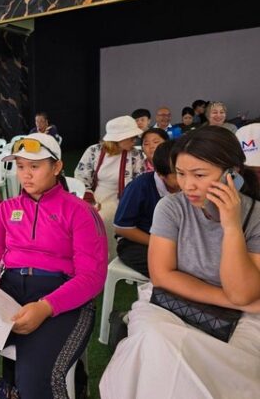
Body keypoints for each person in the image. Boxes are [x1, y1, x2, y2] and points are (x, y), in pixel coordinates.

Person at [0, 132, 108, 399]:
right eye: (20, 166)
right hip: (10, 291)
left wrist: (45, 307)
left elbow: (92, 277)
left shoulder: (80, 211)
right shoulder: (6, 209)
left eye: (35, 166)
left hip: (62, 294)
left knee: (34, 379)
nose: (26, 175)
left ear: (57, 167)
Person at [100, 126, 260, 398]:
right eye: (181, 174)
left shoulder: (254, 216)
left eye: (199, 175)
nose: (188, 185)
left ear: (232, 174)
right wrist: (233, 301)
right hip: (173, 304)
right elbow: (162, 276)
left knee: (231, 363)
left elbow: (242, 292)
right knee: (156, 342)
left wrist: (231, 227)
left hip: (242, 318)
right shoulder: (171, 207)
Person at [75, 115, 145, 258]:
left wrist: (128, 202)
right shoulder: (94, 151)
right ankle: (91, 257)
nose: (135, 140)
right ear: (119, 138)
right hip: (95, 195)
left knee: (104, 218)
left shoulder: (135, 155)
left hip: (124, 198)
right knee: (88, 218)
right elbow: (81, 176)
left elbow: (139, 182)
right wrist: (88, 199)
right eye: (131, 137)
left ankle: (109, 258)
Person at [113, 140, 179, 277]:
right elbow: (121, 228)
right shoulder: (140, 186)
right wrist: (162, 243)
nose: (188, 180)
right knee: (170, 268)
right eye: (179, 174)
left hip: (175, 240)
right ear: (161, 174)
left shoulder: (189, 187)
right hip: (138, 243)